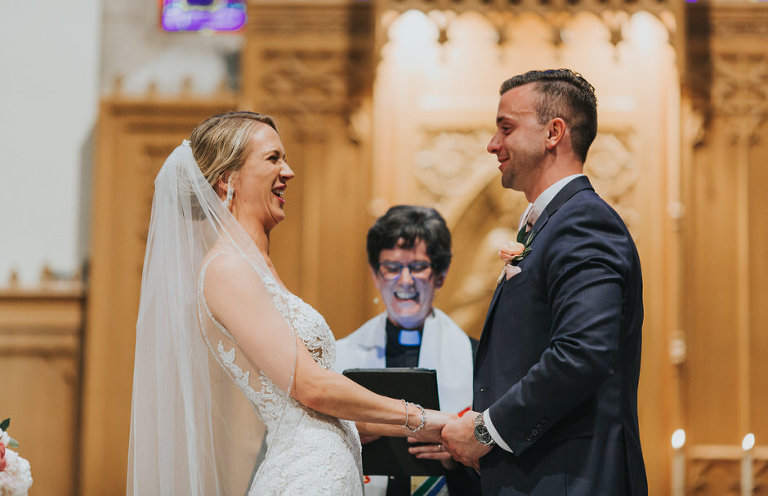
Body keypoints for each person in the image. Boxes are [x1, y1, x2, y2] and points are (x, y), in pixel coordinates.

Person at [126, 111, 451, 496]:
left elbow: (314, 410)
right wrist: (421, 417)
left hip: (328, 471)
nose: (289, 172)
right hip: (306, 478)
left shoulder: (255, 266)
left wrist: (437, 428)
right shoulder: (227, 268)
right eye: (273, 158)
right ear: (228, 179)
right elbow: (310, 387)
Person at [441, 69, 648, 495]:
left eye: (506, 128)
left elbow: (581, 354)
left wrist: (485, 431)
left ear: (554, 132)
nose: (493, 144)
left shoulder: (584, 222)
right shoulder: (551, 224)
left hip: (571, 479)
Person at [334, 205, 481, 496]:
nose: (404, 281)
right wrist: (342, 436)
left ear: (440, 274)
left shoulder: (477, 358)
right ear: (375, 275)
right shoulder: (340, 357)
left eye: (417, 267)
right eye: (391, 267)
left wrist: (456, 457)